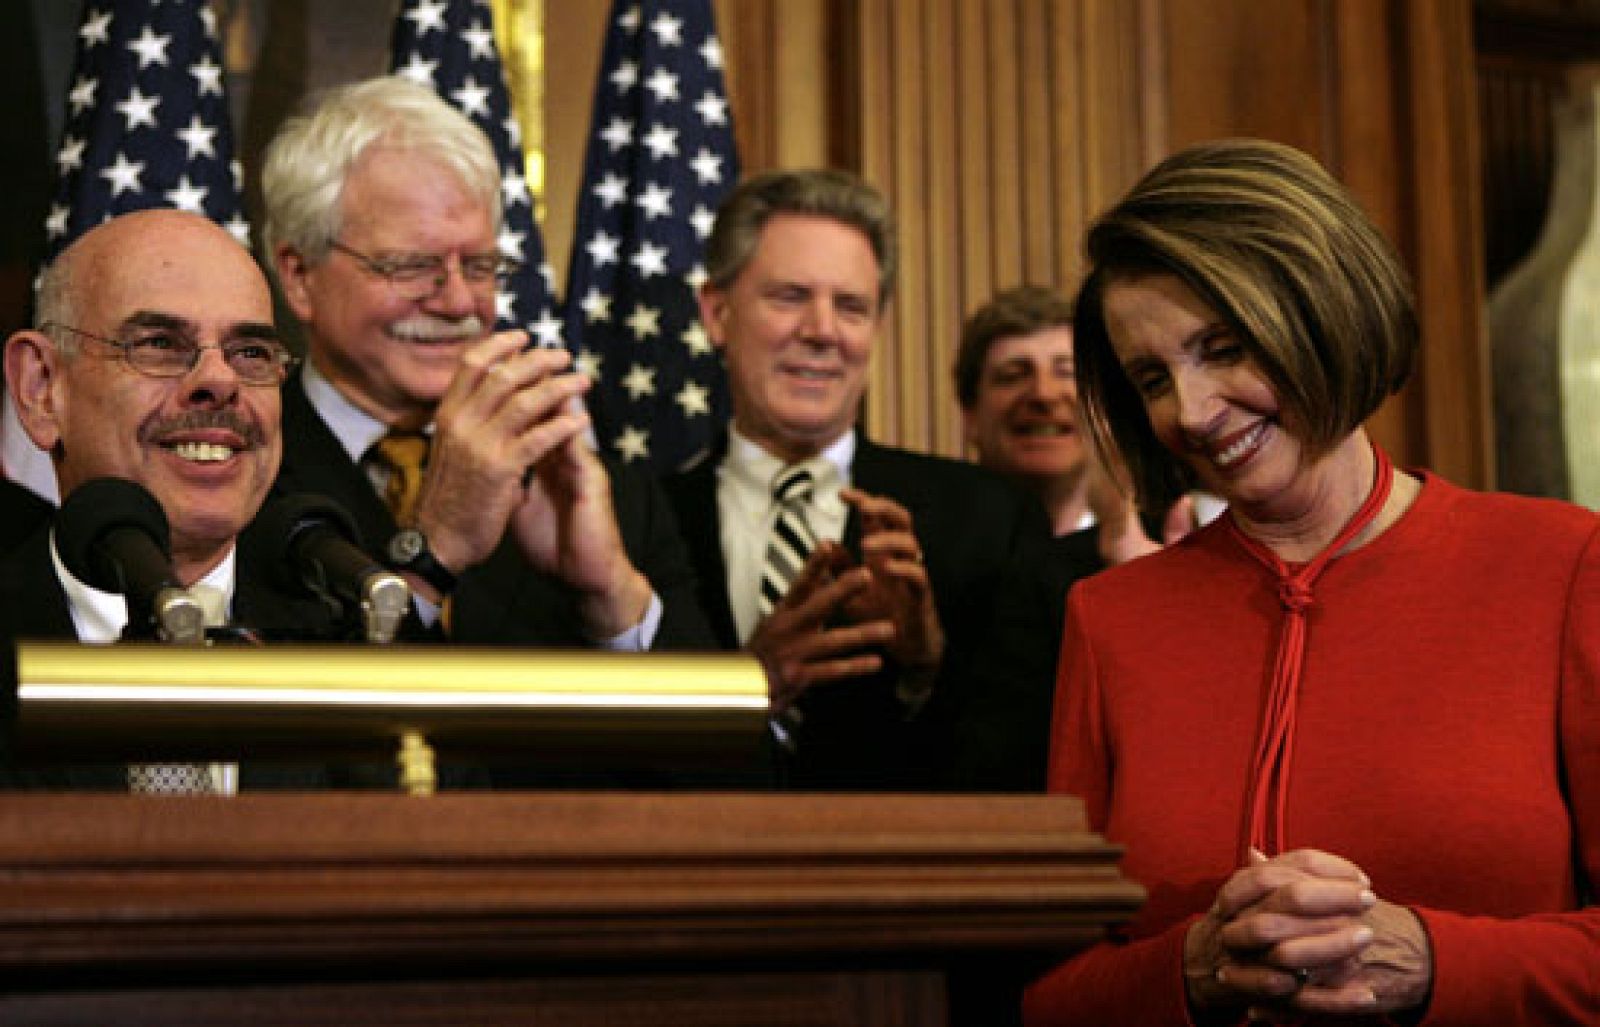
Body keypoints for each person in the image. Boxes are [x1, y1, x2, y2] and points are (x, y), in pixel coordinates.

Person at [1022, 139, 1599, 1025]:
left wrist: (1428, 961)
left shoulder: (1560, 564)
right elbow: (1049, 996)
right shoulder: (1109, 619)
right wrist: (1194, 967)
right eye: (1153, 378)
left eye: (1224, 347)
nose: (1193, 411)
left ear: (1322, 310)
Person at [260, 77, 710, 657]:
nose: (457, 303)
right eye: (411, 265)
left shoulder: (589, 490)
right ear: (299, 276)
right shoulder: (240, 477)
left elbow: (711, 737)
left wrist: (612, 598)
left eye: (479, 266)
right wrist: (433, 553)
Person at [662, 168, 1051, 789]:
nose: (822, 332)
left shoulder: (988, 519)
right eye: (790, 296)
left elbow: (1022, 768)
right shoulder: (638, 521)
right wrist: (743, 685)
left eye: (851, 307)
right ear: (717, 312)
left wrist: (924, 667)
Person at [0, 209, 335, 787]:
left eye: (251, 352)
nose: (219, 381)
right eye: (159, 343)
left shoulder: (355, 656)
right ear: (41, 390)